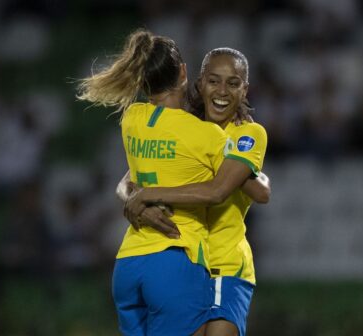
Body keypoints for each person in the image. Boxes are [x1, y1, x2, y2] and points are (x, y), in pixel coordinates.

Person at [78, 29, 265, 336]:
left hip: (128, 262)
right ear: (185, 73)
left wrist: (137, 199)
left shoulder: (132, 119)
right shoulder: (206, 135)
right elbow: (237, 190)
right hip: (176, 257)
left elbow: (128, 181)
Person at [123, 48, 269, 336]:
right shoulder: (186, 128)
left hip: (224, 266)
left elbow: (222, 191)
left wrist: (149, 195)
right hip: (185, 264)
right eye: (214, 81)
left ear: (245, 90)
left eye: (233, 83)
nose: (222, 91)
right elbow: (128, 180)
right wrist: (135, 200)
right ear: (200, 83)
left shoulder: (248, 135)